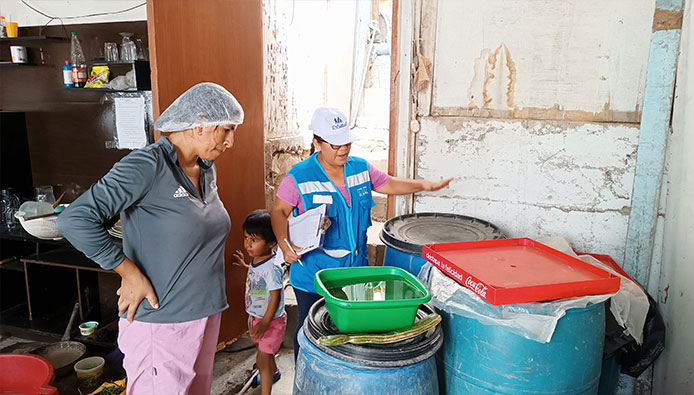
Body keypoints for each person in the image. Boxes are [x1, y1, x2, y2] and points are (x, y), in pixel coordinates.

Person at [56, 82, 244, 394]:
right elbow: (74, 220)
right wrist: (129, 273)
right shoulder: (147, 166)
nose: (231, 141)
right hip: (162, 320)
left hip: (204, 313)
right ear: (199, 123)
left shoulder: (206, 169)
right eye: (225, 130)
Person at [270, 107, 452, 359]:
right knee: (310, 333)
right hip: (313, 274)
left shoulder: (360, 168)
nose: (343, 149)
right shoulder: (299, 176)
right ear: (317, 142)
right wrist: (283, 242)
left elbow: (387, 183)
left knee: (348, 335)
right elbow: (278, 211)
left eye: (346, 142)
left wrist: (423, 185)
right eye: (335, 145)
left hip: (354, 271)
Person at [232, 210, 286, 395]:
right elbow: (259, 278)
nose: (248, 244)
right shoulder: (258, 259)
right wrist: (246, 266)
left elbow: (275, 295)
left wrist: (265, 322)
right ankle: (275, 372)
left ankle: (265, 391)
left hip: (271, 321)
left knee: (262, 357)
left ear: (271, 243)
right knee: (264, 350)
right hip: (257, 316)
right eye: (246, 238)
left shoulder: (272, 268)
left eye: (254, 240)